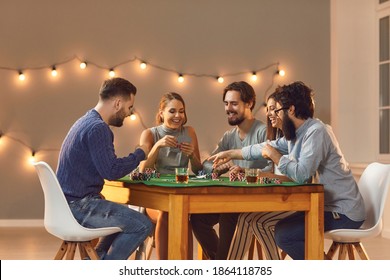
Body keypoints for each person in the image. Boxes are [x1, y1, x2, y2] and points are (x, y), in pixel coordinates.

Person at [209, 81, 366, 260]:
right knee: (267, 225)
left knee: (285, 235)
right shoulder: (296, 134)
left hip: (342, 211)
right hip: (324, 206)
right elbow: (263, 147)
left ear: (290, 110)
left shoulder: (317, 132)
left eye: (277, 110)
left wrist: (276, 156)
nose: (274, 115)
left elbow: (301, 175)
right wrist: (230, 153)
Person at [56, 77, 153, 260]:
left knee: (124, 217)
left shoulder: (84, 121)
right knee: (142, 224)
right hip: (78, 207)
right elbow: (112, 171)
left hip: (65, 206)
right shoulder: (98, 128)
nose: (129, 113)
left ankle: (96, 259)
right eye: (129, 107)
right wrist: (141, 152)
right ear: (117, 103)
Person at [190, 81, 270, 260]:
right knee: (198, 218)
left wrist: (246, 170)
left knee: (228, 212)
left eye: (234, 103)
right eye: (226, 104)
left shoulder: (263, 132)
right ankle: (222, 263)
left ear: (249, 103)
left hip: (261, 202)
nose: (228, 108)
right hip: (234, 200)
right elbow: (207, 166)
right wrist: (219, 168)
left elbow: (272, 169)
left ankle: (222, 264)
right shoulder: (228, 137)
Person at [228, 92, 293, 260]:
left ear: (285, 110)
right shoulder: (280, 138)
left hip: (295, 199)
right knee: (244, 217)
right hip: (281, 196)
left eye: (273, 109)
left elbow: (295, 179)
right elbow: (275, 175)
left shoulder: (293, 140)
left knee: (255, 220)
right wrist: (250, 173)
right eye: (268, 109)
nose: (269, 113)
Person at [138, 92, 203, 259]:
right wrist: (157, 146)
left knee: (181, 214)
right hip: (154, 196)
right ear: (161, 113)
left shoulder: (190, 131)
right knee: (168, 212)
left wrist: (191, 156)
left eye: (181, 111)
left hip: (180, 195)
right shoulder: (150, 134)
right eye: (172, 111)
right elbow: (142, 170)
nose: (178, 115)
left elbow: (198, 170)